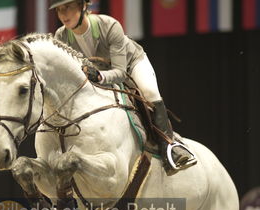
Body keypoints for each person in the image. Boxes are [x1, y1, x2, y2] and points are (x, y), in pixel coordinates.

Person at [49, 0, 197, 175]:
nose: (63, 15)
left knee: (150, 92)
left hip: (130, 64)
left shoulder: (110, 25)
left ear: (83, 6)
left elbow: (120, 72)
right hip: (95, 75)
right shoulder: (61, 37)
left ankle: (170, 146)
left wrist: (100, 76)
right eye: (59, 10)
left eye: (68, 7)